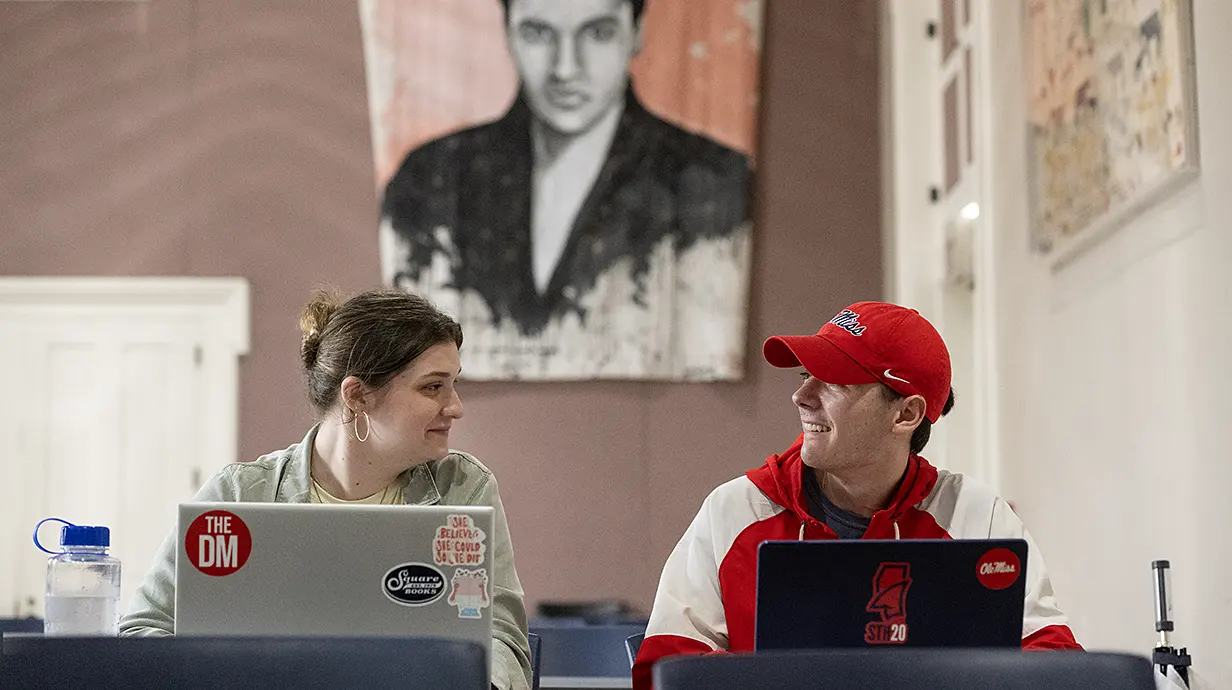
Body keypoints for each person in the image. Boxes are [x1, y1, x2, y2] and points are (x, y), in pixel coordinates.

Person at [631, 301, 1081, 688]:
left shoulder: (977, 517)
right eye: (807, 374)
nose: (801, 396)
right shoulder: (734, 511)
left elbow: (1054, 663)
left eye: (833, 381)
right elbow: (665, 670)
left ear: (906, 413)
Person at [119, 288, 533, 690]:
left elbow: (502, 643)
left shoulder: (465, 489)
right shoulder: (239, 495)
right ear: (357, 395)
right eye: (432, 386)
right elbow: (142, 629)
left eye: (453, 384)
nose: (455, 406)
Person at [379, 0, 751, 379]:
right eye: (538, 33)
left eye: (598, 33)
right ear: (506, 32)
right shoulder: (430, 177)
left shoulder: (712, 179)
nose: (566, 68)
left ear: (637, 34)